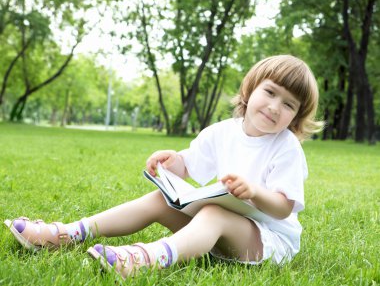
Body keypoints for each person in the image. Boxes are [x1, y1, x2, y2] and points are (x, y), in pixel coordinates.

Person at [5, 55, 323, 279]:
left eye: (288, 105)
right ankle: (68, 233)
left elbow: (283, 208)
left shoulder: (286, 147)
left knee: (214, 213)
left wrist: (254, 192)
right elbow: (189, 166)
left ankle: (144, 259)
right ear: (251, 88)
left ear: (295, 117)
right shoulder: (223, 131)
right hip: (214, 232)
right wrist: (173, 162)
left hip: (266, 241)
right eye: (270, 92)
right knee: (161, 200)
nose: (274, 107)